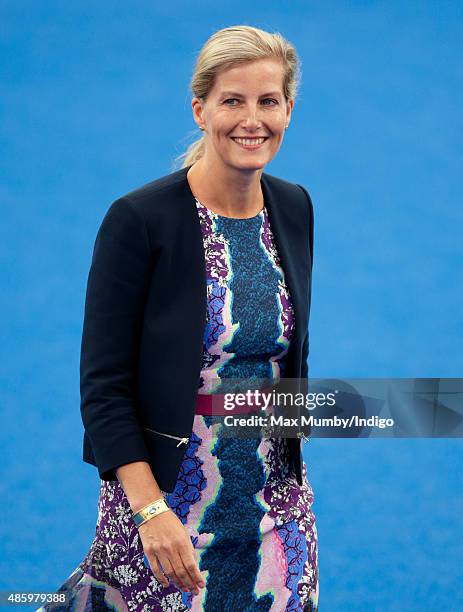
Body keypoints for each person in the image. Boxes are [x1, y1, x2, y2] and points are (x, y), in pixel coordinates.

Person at [39, 24, 318, 612]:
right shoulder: (139, 221)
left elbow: (277, 361)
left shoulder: (294, 206)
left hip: (275, 510)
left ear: (288, 109)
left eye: (268, 101)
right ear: (200, 109)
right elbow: (105, 388)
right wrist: (150, 511)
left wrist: (396, 408)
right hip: (164, 516)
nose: (252, 119)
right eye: (232, 101)